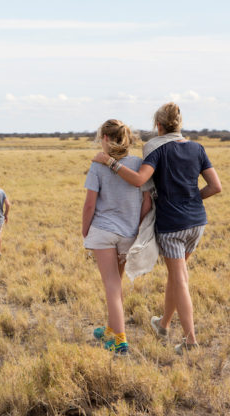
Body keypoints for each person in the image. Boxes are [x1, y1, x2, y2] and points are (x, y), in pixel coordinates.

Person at [92, 103, 222, 354]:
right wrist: (192, 200)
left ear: (158, 126)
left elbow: (140, 179)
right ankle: (162, 324)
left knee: (180, 279)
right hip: (197, 223)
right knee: (177, 276)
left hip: (172, 224)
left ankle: (190, 340)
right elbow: (216, 186)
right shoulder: (197, 148)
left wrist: (110, 163)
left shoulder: (155, 147)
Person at [83, 119, 152, 354]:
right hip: (128, 233)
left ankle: (120, 340)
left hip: (103, 232)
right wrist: (137, 226)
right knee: (117, 285)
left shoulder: (98, 165)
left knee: (111, 285)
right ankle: (112, 329)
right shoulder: (139, 164)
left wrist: (85, 231)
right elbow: (147, 201)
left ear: (104, 138)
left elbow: (89, 204)